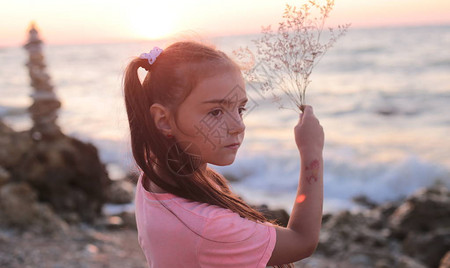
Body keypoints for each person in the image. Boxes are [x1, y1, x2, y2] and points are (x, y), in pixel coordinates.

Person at [123, 41, 324, 268]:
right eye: (216, 112)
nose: (238, 126)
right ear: (164, 120)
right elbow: (302, 240)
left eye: (240, 109)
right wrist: (312, 152)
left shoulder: (152, 179)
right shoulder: (208, 227)